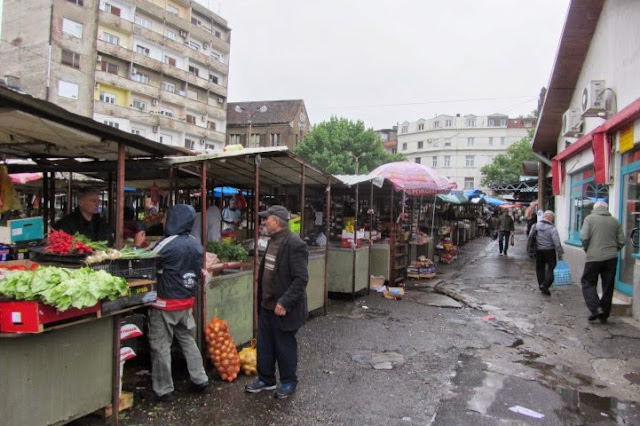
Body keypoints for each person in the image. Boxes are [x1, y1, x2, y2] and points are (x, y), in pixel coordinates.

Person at [245, 205, 309, 399]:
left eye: (267, 218)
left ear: (278, 221)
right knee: (265, 345)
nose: (264, 222)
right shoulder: (272, 241)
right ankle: (266, 379)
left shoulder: (295, 244)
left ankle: (289, 381)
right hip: (267, 305)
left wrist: (285, 302)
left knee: (284, 346)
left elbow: (301, 279)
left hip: (283, 308)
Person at [148, 204, 209, 402]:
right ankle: (200, 378)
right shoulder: (196, 243)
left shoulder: (166, 244)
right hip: (186, 302)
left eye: (167, 217)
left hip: (165, 302)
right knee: (187, 339)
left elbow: (148, 263)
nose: (164, 221)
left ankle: (164, 389)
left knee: (160, 345)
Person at [579, 201, 625, 323]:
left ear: (595, 208)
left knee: (588, 282)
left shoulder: (589, 219)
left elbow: (584, 237)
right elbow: (622, 240)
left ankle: (595, 308)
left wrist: (587, 248)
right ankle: (604, 314)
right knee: (608, 286)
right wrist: (614, 250)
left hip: (593, 257)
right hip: (611, 258)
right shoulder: (615, 221)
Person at [529, 210, 564, 295]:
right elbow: (556, 242)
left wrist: (530, 249)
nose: (553, 220)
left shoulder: (536, 226)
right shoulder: (552, 228)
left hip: (539, 250)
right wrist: (560, 252)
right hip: (549, 250)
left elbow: (530, 237)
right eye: (552, 218)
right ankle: (545, 285)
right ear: (549, 217)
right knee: (552, 268)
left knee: (540, 268)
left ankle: (541, 284)